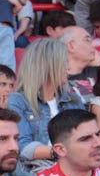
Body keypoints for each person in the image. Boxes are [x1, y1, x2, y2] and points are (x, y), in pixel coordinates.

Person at [7, 38, 90, 168]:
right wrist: (60, 153)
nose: (67, 67)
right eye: (63, 62)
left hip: (76, 168)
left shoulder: (74, 100)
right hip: (37, 170)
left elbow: (87, 137)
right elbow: (22, 146)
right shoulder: (18, 101)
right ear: (47, 66)